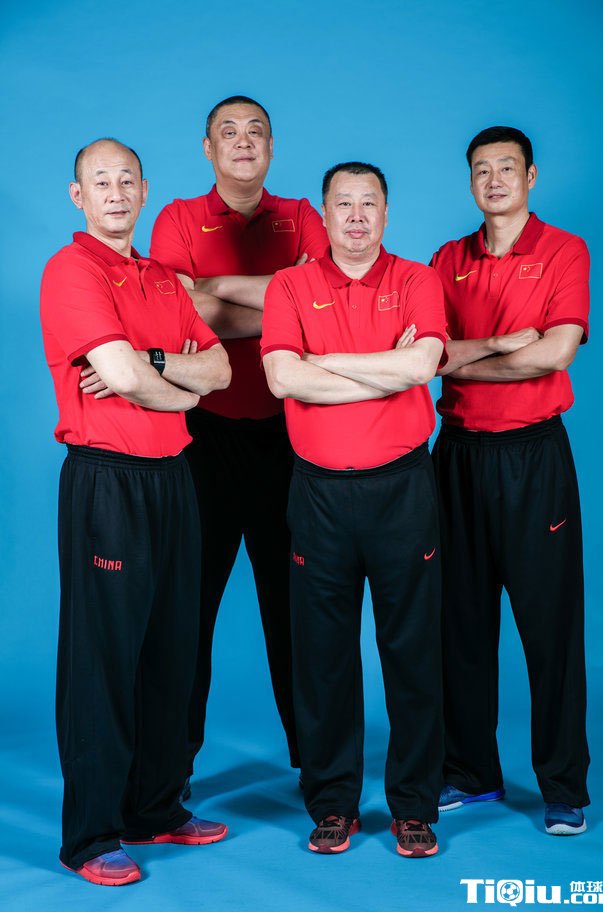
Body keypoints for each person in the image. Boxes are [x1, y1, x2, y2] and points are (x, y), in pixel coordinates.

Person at [40, 139, 232, 886]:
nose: (116, 192)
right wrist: (174, 382)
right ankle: (91, 833)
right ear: (78, 195)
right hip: (108, 481)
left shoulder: (159, 276)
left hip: (173, 477)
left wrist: (154, 369)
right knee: (104, 657)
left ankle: (154, 807)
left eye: (127, 180)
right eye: (101, 181)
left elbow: (217, 370)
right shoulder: (72, 270)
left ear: (145, 190)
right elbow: (115, 372)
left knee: (171, 649)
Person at [261, 162, 447, 857]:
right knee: (322, 656)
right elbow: (281, 376)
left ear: (387, 213)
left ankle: (414, 805)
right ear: (325, 214)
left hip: (402, 489)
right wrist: (379, 366)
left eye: (369, 203)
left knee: (412, 650)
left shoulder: (417, 279)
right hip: (318, 494)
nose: (357, 216)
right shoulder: (289, 285)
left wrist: (324, 362)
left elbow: (421, 367)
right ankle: (333, 803)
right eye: (344, 204)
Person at [150, 96, 328, 792]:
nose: (243, 141)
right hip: (205, 437)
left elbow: (324, 315)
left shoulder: (302, 216)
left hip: (290, 439)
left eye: (256, 131)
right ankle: (168, 774)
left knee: (297, 610)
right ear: (208, 148)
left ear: (272, 147)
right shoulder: (177, 218)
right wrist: (286, 302)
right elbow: (175, 314)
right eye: (228, 131)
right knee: (187, 609)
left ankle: (321, 776)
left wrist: (216, 291)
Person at [430, 126, 590, 836]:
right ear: (470, 182)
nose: (493, 180)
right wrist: (494, 351)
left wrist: (465, 360)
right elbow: (428, 356)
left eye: (506, 168)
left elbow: (555, 353)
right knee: (459, 623)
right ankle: (471, 772)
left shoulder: (564, 251)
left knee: (549, 627)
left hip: (533, 457)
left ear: (530, 176)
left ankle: (563, 784)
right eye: (480, 170)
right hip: (458, 456)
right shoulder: (447, 259)